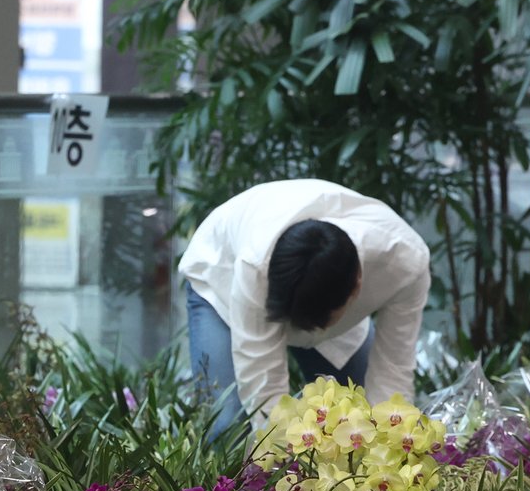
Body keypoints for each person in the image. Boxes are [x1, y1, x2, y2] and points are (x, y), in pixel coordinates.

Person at [180, 180, 431, 436]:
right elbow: (262, 383)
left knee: (358, 414)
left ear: (356, 287)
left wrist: (387, 441)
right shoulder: (255, 265)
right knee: (228, 425)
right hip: (221, 278)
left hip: (319, 297)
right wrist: (279, 454)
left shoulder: (405, 263)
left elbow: (393, 368)